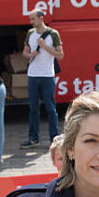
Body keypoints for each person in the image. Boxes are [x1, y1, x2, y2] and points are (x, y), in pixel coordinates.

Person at [21, 9, 64, 149]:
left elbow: (60, 55)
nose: (31, 22)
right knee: (33, 108)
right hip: (33, 75)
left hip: (47, 75)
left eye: (33, 19)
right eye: (30, 19)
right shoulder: (30, 34)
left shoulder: (53, 34)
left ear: (41, 18)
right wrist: (30, 55)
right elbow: (24, 53)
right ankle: (34, 138)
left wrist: (45, 46)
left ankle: (54, 139)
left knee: (51, 108)